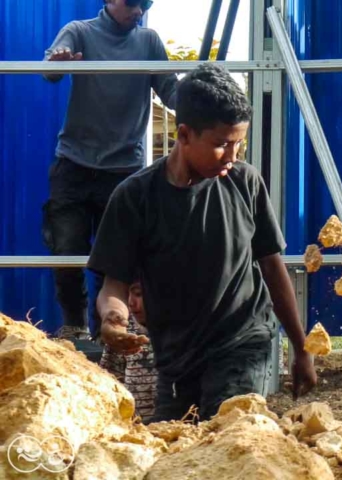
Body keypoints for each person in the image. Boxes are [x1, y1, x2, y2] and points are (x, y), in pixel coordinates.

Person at [88, 64, 317, 422]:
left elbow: (273, 267)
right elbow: (113, 283)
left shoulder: (246, 182)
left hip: (242, 341)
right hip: (176, 358)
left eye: (239, 143)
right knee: (173, 446)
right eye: (222, 144)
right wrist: (112, 318)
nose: (233, 156)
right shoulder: (135, 197)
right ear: (183, 135)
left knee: (227, 431)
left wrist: (301, 349)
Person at [42, 0, 178, 342]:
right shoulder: (79, 31)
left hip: (123, 168)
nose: (139, 10)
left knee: (115, 257)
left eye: (145, 3)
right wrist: (58, 62)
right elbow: (50, 69)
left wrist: (205, 91)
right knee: (67, 248)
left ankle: (108, 330)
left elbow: (171, 91)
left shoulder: (148, 41)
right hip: (73, 163)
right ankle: (74, 327)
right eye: (132, 2)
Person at [100, 279, 157, 423]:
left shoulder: (185, 332)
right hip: (136, 432)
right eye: (127, 295)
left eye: (139, 294)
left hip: (180, 427)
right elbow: (110, 385)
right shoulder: (123, 330)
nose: (131, 302)